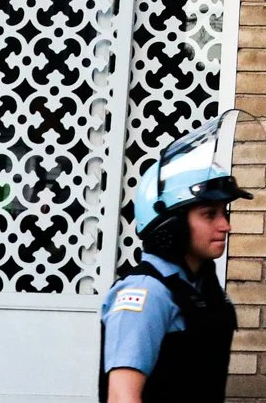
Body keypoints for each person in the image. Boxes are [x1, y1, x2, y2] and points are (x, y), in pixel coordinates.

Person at [99, 116, 251, 403]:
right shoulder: (147, 294)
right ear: (172, 224)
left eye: (224, 213)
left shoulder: (199, 287)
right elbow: (122, 398)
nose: (225, 225)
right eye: (209, 214)